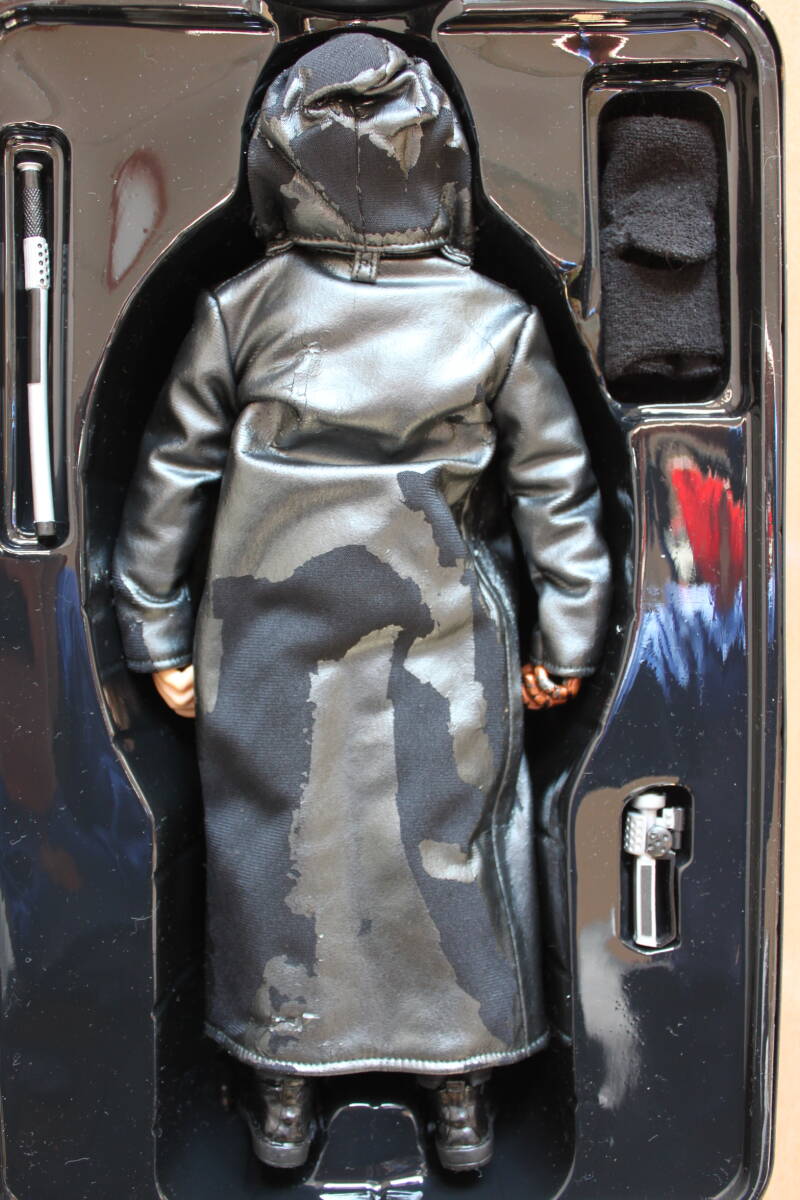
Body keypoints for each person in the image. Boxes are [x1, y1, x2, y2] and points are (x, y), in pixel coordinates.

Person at [112, 31, 611, 1173]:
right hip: (436, 633)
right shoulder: (494, 319)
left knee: (275, 849)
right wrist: (570, 634)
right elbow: (557, 494)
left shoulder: (239, 309)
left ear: (276, 163)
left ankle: (282, 1080)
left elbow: (169, 482)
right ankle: (460, 1086)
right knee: (446, 843)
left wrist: (155, 628)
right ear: (444, 166)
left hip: (263, 634)